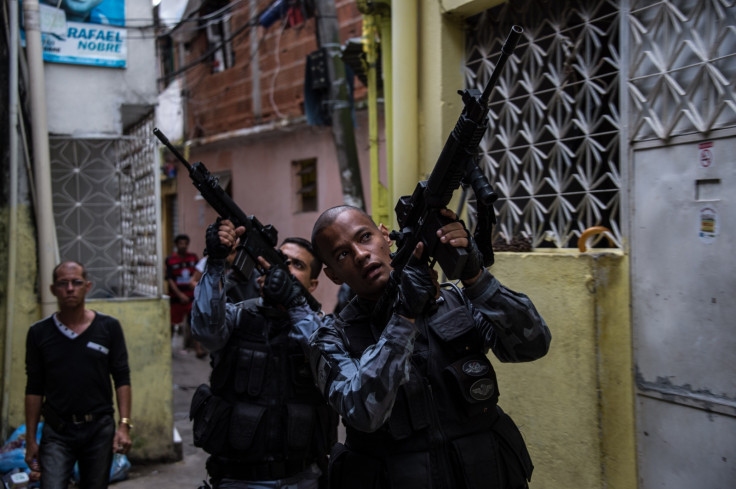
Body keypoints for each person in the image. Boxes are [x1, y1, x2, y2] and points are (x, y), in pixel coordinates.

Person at [309, 205, 551, 489]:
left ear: (385, 237)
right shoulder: (331, 338)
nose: (361, 255)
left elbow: (533, 344)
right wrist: (404, 317)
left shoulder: (456, 301)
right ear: (333, 275)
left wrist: (476, 277)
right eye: (342, 254)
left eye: (364, 237)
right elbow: (363, 412)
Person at [190, 219, 338, 489]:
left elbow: (331, 362)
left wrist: (293, 303)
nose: (285, 269)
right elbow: (205, 331)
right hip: (239, 479)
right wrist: (215, 263)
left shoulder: (323, 328)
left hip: (304, 479)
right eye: (280, 261)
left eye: (297, 265)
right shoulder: (237, 316)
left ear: (313, 284)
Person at [24, 261, 133, 489]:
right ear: (53, 289)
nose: (70, 288)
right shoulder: (39, 333)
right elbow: (34, 387)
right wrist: (31, 440)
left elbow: (121, 377)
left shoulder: (108, 328)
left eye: (76, 282)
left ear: (88, 286)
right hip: (57, 432)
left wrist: (123, 426)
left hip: (99, 430)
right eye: (63, 283)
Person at [166, 233, 206, 358]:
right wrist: (179, 294)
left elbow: (198, 274)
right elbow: (170, 280)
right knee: (172, 324)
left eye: (185, 243)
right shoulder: (170, 260)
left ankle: (198, 349)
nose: (183, 246)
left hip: (191, 297)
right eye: (180, 243)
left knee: (194, 323)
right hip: (176, 298)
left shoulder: (193, 258)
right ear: (176, 245)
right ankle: (167, 349)